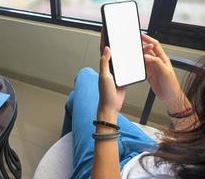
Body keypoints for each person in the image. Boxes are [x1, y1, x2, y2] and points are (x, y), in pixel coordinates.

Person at [61, 31, 205, 179]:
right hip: (156, 156)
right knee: (77, 96)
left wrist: (107, 114)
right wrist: (175, 99)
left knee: (86, 76)